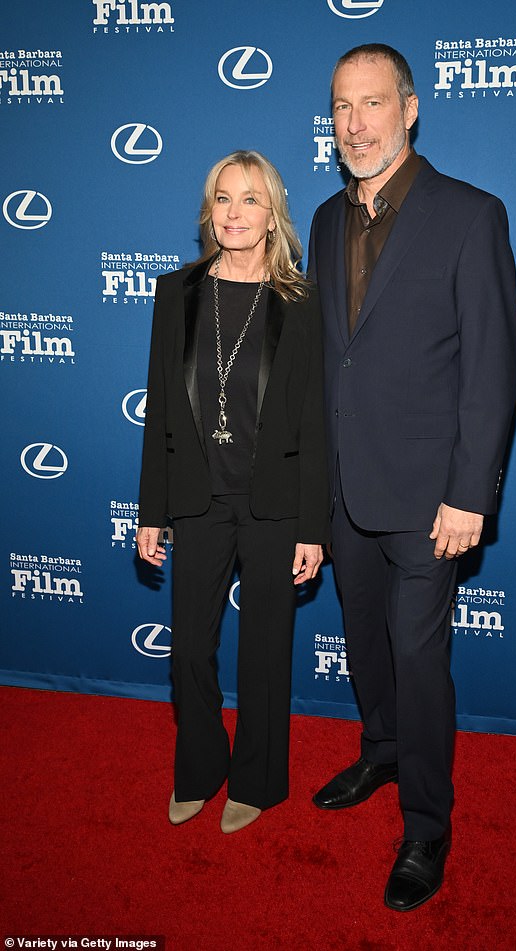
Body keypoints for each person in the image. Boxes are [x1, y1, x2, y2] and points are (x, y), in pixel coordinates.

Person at [308, 45, 516, 910]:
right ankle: (382, 748)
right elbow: (330, 365)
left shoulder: (470, 213)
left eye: (372, 104)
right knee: (365, 643)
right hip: (345, 489)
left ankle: (427, 821)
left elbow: (493, 366)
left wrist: (472, 491)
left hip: (434, 499)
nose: (355, 123)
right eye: (341, 107)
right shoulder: (324, 220)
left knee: (419, 655)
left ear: (410, 107)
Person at [137, 150, 330, 834]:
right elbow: (162, 407)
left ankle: (257, 779)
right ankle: (200, 766)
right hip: (200, 498)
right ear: (208, 211)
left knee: (265, 652)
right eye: (223, 198)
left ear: (272, 215)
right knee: (189, 648)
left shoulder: (300, 304)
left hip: (274, 503)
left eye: (250, 200)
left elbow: (314, 422)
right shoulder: (176, 294)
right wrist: (151, 511)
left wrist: (314, 526)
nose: (235, 213)